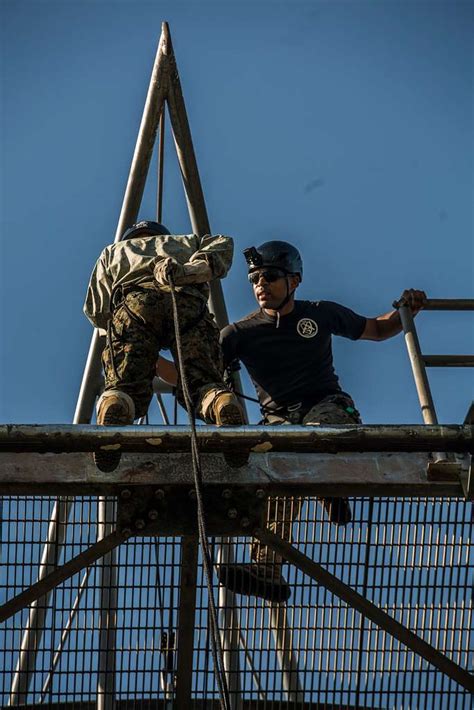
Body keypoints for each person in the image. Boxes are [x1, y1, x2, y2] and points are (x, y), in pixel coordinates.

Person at [217, 240, 426, 602]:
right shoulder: (239, 334)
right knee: (278, 478)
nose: (260, 285)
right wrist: (146, 362)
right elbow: (194, 373)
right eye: (254, 279)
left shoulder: (319, 314)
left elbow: (376, 330)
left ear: (294, 281)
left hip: (326, 407)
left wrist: (406, 310)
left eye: (269, 277)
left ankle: (330, 485)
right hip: (280, 422)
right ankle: (266, 567)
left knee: (324, 434)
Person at [83, 220, 245, 472]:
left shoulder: (112, 252)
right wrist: (190, 269)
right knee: (202, 383)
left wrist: (122, 335)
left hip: (136, 303)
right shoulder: (187, 241)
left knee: (125, 384)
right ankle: (220, 402)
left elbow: (96, 310)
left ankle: (116, 404)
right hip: (189, 303)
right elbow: (223, 244)